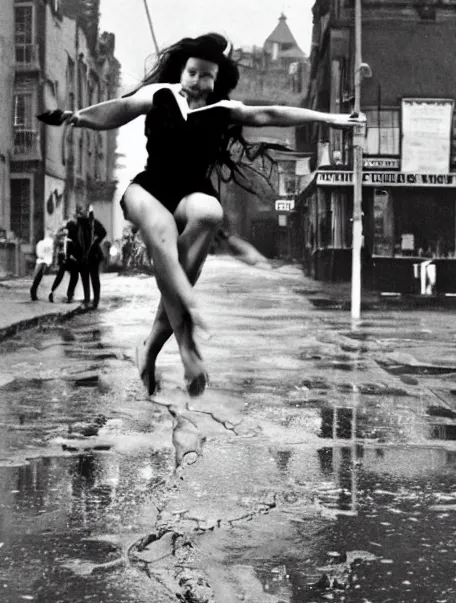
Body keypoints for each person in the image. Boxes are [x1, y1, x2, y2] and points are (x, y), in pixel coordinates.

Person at [37, 33, 365, 397]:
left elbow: (272, 112)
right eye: (192, 72)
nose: (197, 81)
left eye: (206, 76)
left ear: (215, 80)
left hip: (190, 193)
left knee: (210, 212)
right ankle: (187, 345)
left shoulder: (222, 111)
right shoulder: (160, 94)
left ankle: (152, 345)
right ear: (183, 70)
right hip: (149, 189)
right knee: (162, 233)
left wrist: (332, 118)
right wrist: (76, 118)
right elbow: (116, 108)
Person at [48, 224, 79, 303]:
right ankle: (69, 295)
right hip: (67, 259)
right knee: (71, 276)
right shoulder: (68, 236)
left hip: (67, 259)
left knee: (63, 276)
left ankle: (55, 292)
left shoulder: (68, 236)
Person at [30, 231, 54, 301]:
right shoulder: (44, 243)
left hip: (42, 262)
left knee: (37, 280)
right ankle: (34, 295)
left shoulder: (41, 243)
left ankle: (34, 294)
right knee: (38, 279)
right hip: (43, 262)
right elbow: (41, 254)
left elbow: (39, 254)